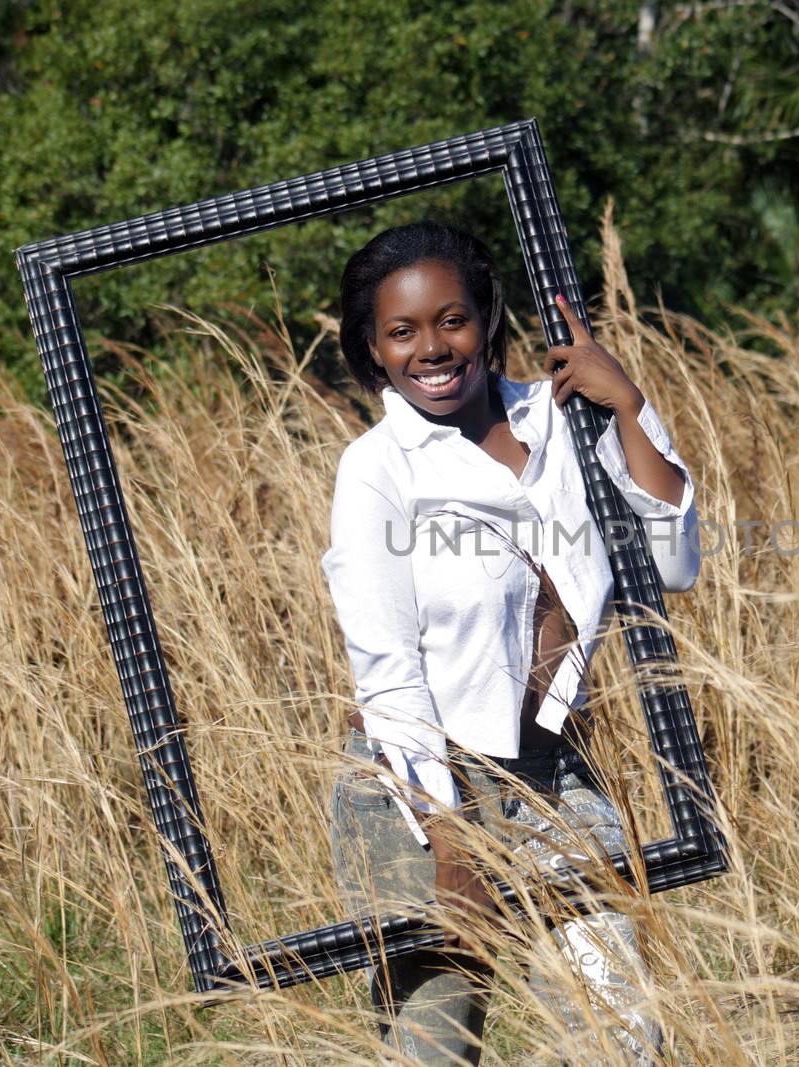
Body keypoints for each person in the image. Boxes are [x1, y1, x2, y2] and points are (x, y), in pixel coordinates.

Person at [320, 221, 701, 1064]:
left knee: (622, 1035)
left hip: (554, 777)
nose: (433, 347)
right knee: (435, 1047)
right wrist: (452, 849)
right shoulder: (378, 468)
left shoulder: (565, 415)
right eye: (402, 331)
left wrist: (629, 404)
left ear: (488, 317)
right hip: (417, 794)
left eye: (451, 318)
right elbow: (389, 674)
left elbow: (674, 561)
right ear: (373, 350)